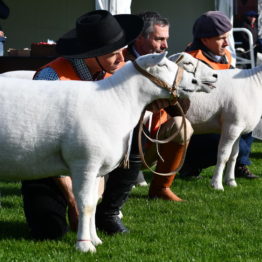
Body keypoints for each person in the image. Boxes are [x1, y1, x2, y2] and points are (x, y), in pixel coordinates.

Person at [21, 9, 144, 239]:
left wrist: (92, 199)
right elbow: (42, 142)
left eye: (123, 51)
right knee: (50, 232)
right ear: (90, 54)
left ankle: (108, 213)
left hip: (92, 165)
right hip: (47, 169)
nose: (122, 60)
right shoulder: (51, 78)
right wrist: (74, 199)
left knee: (133, 138)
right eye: (113, 54)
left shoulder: (115, 76)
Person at [178, 10, 258, 179]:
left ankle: (238, 165)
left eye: (227, 37)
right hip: (198, 123)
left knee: (248, 115)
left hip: (222, 115)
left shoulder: (225, 56)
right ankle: (191, 164)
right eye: (221, 38)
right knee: (236, 140)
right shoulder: (192, 61)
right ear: (205, 39)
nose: (227, 43)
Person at [124, 11, 193, 201]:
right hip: (118, 145)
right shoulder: (120, 62)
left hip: (150, 145)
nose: (166, 45)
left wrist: (172, 96)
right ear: (139, 38)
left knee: (183, 126)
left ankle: (161, 188)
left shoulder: (164, 64)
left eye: (166, 39)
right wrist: (146, 105)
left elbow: (184, 108)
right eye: (159, 39)